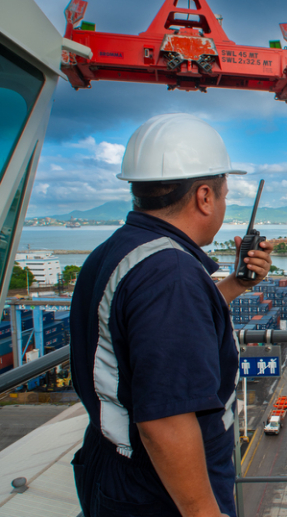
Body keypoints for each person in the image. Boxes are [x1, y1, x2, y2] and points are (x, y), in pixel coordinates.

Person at [69, 113, 273, 517]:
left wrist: (234, 286)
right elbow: (165, 419)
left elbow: (152, 330)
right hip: (159, 495)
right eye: (224, 193)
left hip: (115, 469)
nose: (223, 202)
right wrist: (204, 512)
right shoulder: (171, 274)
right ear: (204, 197)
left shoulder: (120, 249)